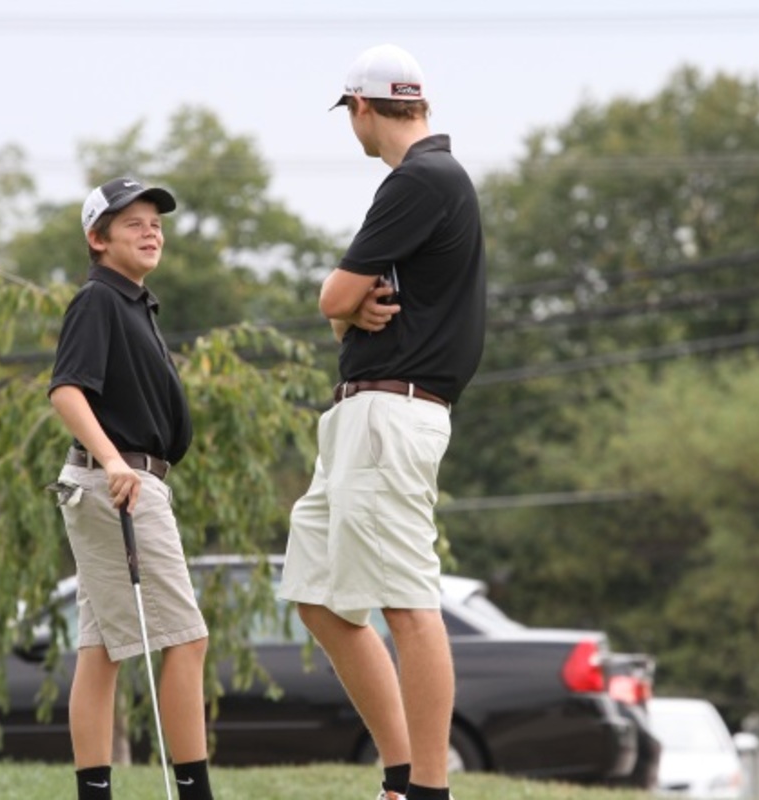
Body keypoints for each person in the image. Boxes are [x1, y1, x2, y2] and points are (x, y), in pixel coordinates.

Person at [277, 43, 487, 800]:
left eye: (351, 116)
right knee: (317, 594)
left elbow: (333, 298)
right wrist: (348, 313)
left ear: (362, 108)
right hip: (364, 413)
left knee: (407, 601)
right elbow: (346, 314)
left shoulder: (419, 179)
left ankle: (427, 789)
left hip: (392, 416)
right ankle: (402, 771)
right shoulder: (432, 180)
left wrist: (344, 308)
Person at [48, 177, 214, 800]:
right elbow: (67, 389)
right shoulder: (98, 300)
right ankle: (195, 792)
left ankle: (95, 793)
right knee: (187, 638)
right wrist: (114, 460)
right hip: (116, 484)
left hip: (116, 481)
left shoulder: (135, 302)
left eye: (156, 222)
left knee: (102, 648)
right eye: (132, 223)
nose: (151, 231)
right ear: (98, 239)